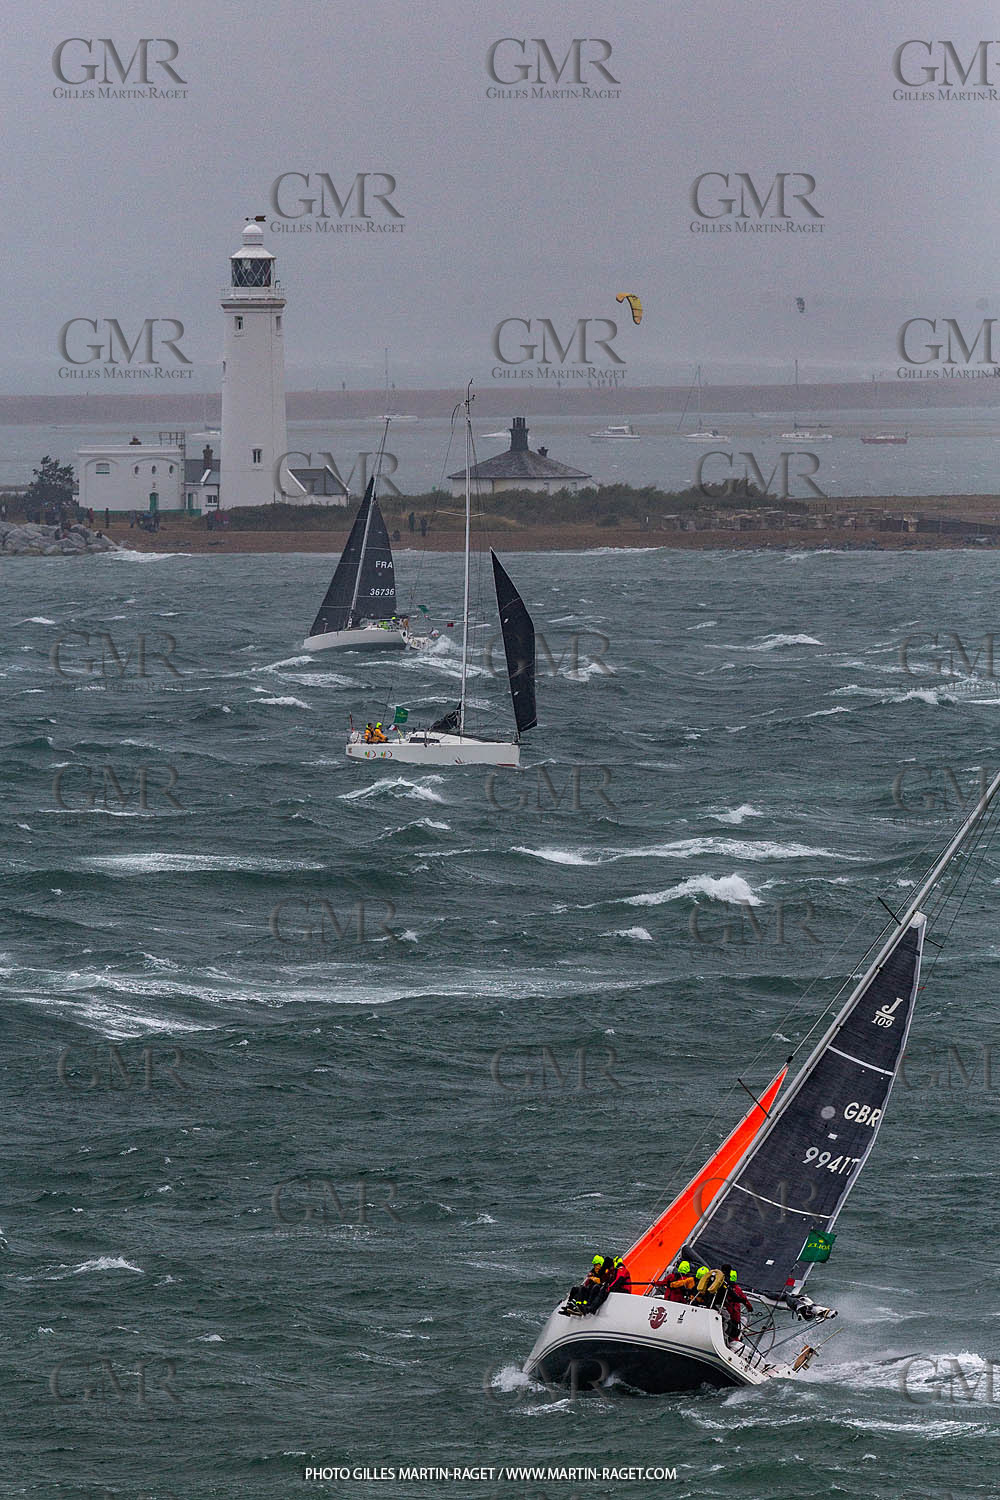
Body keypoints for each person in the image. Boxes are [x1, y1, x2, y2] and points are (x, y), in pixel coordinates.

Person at [722, 1267, 752, 1344]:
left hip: (723, 1311)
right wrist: (749, 1308)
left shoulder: (722, 1286)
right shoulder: (737, 1289)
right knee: (735, 1327)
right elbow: (744, 1299)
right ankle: (733, 1341)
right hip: (734, 1313)